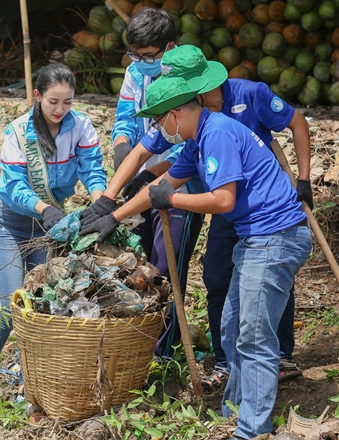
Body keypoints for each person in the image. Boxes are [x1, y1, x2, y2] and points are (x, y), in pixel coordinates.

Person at [80, 75, 312, 439]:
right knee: (233, 327)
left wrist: (170, 201)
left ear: (175, 114)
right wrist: (112, 214)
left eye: (159, 122)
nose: (159, 130)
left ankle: (253, 429)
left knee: (253, 335)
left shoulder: (218, 132)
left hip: (276, 236)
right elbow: (161, 186)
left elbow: (222, 201)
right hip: (256, 238)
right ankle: (235, 412)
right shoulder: (196, 141)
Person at [134, 44, 313, 386]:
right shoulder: (195, 132)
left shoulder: (244, 100)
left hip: (262, 211)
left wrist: (303, 179)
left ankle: (275, 364)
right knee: (218, 280)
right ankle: (227, 365)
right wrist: (112, 210)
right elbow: (162, 171)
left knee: (270, 290)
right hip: (229, 212)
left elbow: (296, 123)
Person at [0, 63, 107, 410]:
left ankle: (32, 381)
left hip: (52, 228)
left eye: (68, 102)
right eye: (53, 102)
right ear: (37, 97)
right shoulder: (17, 132)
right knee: (12, 308)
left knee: (46, 308)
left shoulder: (81, 126)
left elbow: (92, 168)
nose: (60, 110)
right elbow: (13, 188)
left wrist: (100, 200)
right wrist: (45, 208)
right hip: (15, 226)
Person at [79, 9, 203, 355]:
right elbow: (127, 123)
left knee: (166, 272)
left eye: (149, 56)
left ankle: (162, 354)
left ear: (170, 47)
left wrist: (152, 172)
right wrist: (122, 154)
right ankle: (136, 350)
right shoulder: (135, 74)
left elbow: (189, 150)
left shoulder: (187, 80)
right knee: (139, 268)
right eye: (135, 54)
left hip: (178, 190)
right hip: (138, 186)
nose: (140, 62)